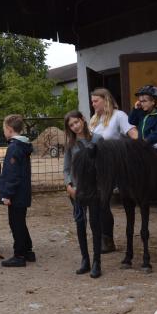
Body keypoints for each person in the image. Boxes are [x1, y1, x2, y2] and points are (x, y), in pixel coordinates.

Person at [87, 87, 138, 252]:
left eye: (96, 101)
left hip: (114, 165)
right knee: (99, 203)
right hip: (96, 166)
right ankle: (106, 239)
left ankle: (108, 239)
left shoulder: (119, 115)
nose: (93, 104)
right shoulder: (94, 119)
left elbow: (133, 134)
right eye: (92, 101)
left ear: (105, 100)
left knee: (104, 200)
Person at [63, 110, 100, 277]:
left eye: (76, 122)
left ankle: (97, 262)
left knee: (95, 224)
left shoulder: (98, 139)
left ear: (83, 120)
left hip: (94, 190)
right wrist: (68, 185)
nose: (75, 126)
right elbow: (66, 168)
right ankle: (85, 259)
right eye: (71, 125)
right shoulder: (71, 144)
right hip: (77, 191)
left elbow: (103, 166)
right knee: (80, 223)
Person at [0, 114, 33, 268]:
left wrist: (6, 194)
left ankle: (19, 256)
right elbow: (12, 173)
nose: (4, 131)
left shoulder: (13, 147)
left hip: (16, 195)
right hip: (23, 193)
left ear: (10, 130)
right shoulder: (22, 146)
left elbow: (12, 175)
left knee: (15, 223)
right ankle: (28, 251)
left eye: (4, 129)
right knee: (20, 221)